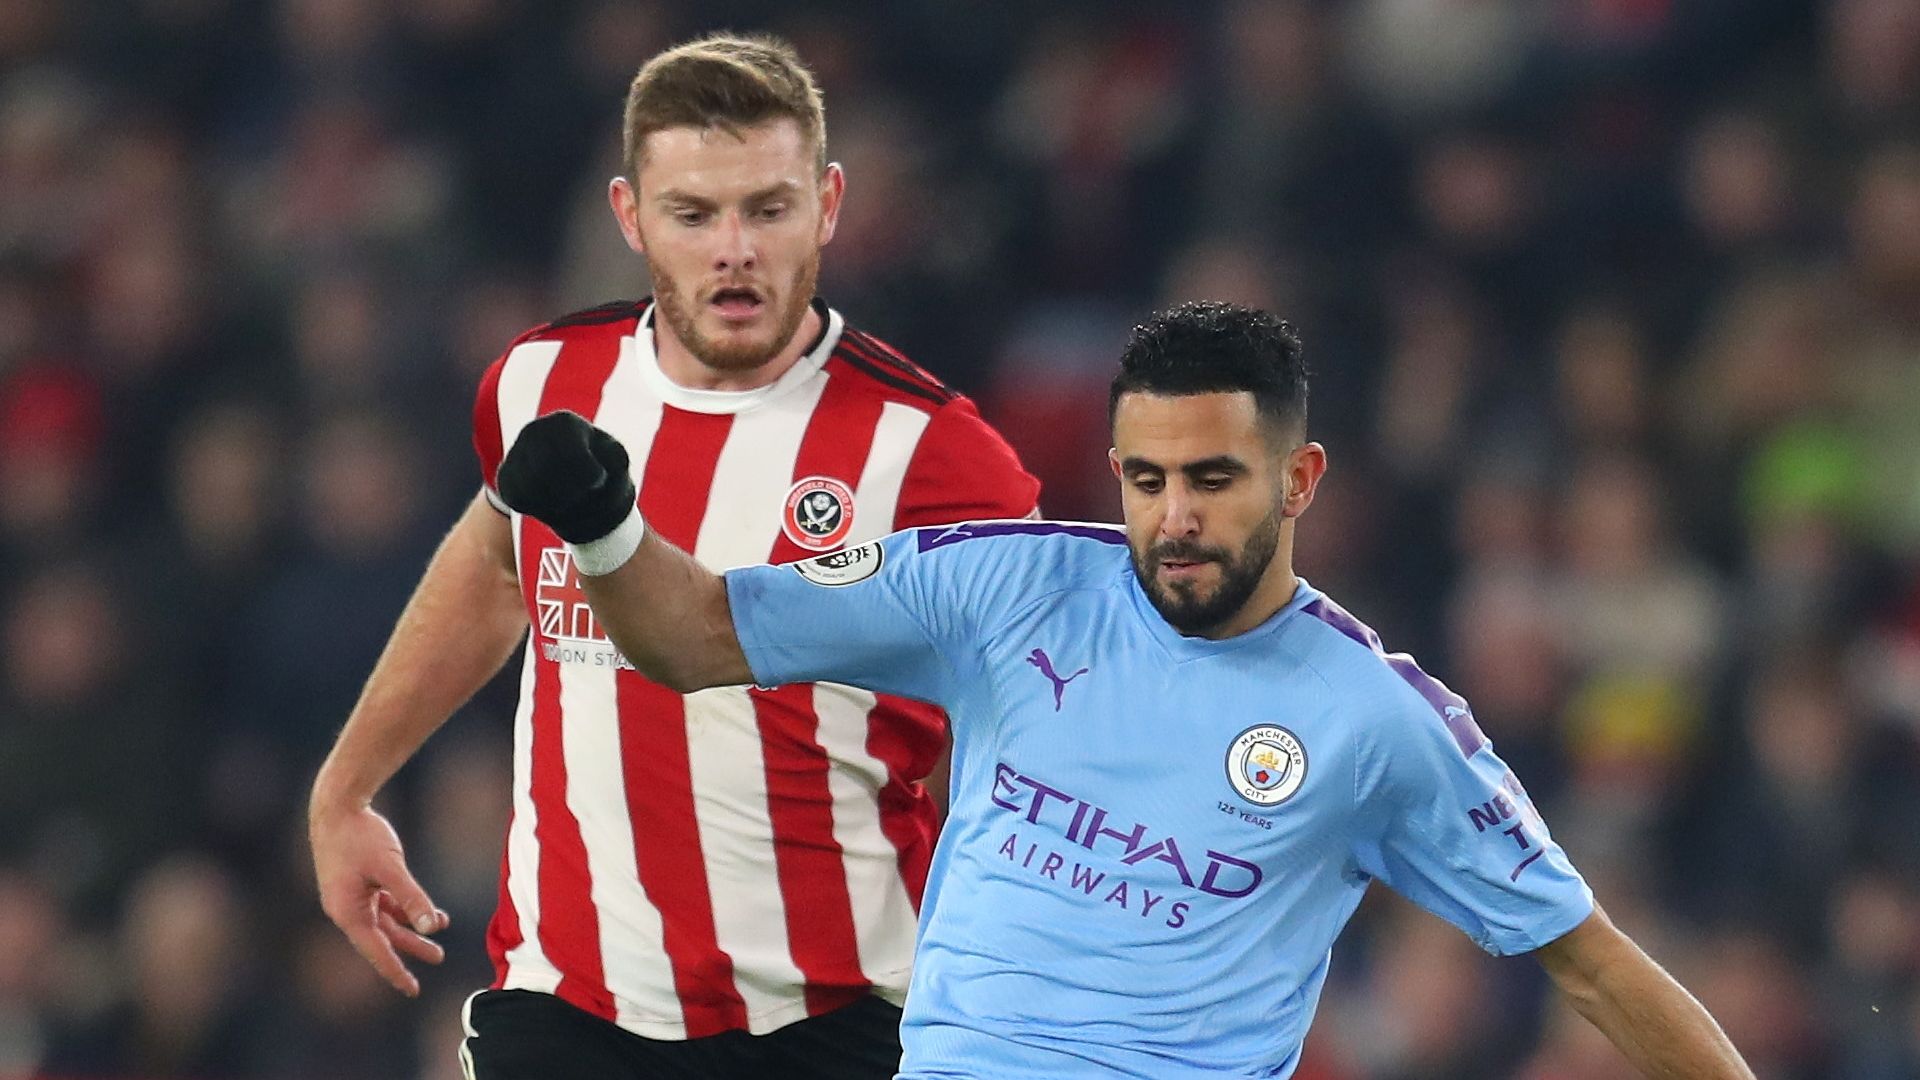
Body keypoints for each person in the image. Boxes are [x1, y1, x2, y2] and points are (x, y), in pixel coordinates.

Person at [494, 300, 1757, 1079]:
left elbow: (1592, 968)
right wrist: (604, 519)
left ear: (1301, 478)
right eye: (1146, 481)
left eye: (1214, 478)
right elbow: (703, 634)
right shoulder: (1004, 587)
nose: (1175, 519)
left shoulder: (1379, 723)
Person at [307, 33, 1040, 1080]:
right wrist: (347, 789)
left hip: (834, 1023)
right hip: (565, 1008)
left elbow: (1046, 712)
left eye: (768, 208)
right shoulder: (539, 382)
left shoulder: (935, 452)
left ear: (829, 206)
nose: (733, 248)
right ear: (630, 216)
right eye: (694, 215)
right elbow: (497, 562)